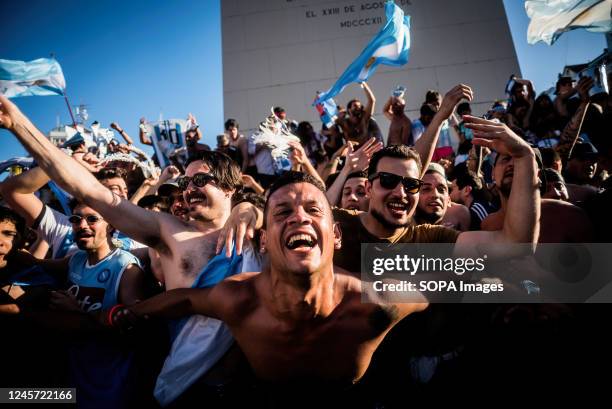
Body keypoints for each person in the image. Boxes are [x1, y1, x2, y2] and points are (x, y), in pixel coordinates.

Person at [0, 94, 258, 406]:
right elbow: (90, 190)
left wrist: (251, 209)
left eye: (200, 180)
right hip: (189, 386)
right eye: (186, 184)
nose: (189, 191)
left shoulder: (260, 231)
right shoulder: (169, 231)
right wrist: (18, 124)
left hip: (250, 384)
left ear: (229, 187)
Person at [108, 172, 429, 407]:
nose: (299, 218)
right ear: (264, 240)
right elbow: (186, 300)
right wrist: (127, 313)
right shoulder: (243, 299)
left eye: (313, 210)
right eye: (283, 212)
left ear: (336, 235)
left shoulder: (381, 298)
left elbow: (463, 283)